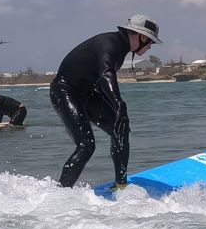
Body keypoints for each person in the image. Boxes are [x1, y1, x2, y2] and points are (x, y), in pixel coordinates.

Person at [49, 14, 160, 189]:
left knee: (120, 127)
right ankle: (61, 192)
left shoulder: (120, 47)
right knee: (86, 145)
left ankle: (120, 184)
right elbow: (106, 74)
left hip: (86, 93)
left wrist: (117, 111)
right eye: (151, 42)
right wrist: (119, 104)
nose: (150, 47)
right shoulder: (111, 43)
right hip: (64, 92)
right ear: (143, 37)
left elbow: (100, 81)